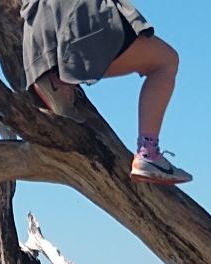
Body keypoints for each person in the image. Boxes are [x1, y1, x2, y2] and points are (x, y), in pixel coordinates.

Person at [21, 0, 192, 185]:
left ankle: (58, 75)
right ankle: (148, 153)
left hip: (36, 34)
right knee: (165, 62)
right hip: (79, 14)